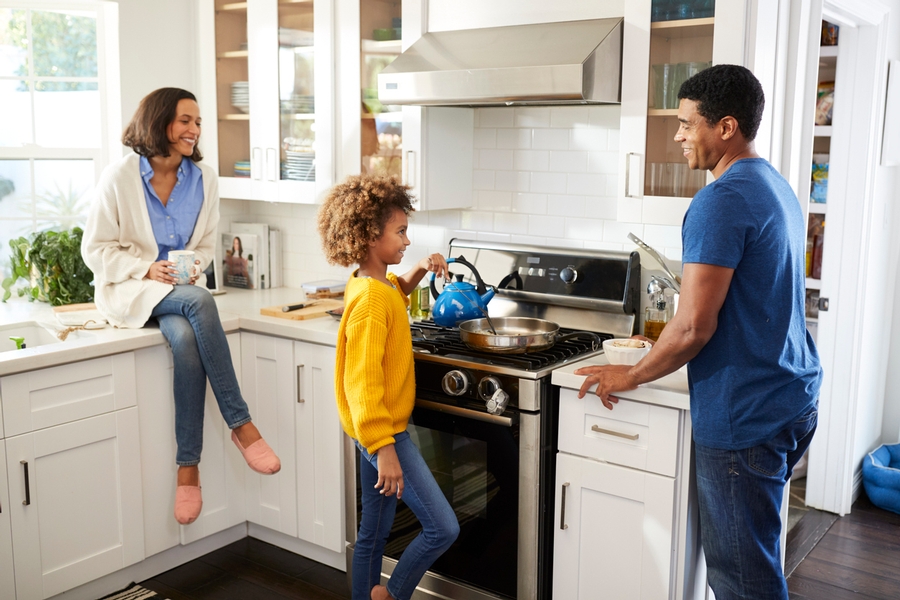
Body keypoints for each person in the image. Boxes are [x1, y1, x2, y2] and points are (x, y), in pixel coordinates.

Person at [575, 65, 822, 600]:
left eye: (688, 124)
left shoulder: (720, 199)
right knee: (757, 553)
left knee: (741, 578)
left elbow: (691, 327)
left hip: (746, 411)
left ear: (726, 127)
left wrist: (631, 374)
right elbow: (744, 301)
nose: (678, 135)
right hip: (790, 394)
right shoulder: (772, 183)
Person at [82, 88, 280, 526]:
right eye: (185, 121)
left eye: (197, 122)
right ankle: (242, 426)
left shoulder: (204, 178)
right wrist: (146, 268)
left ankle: (187, 470)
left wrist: (191, 268)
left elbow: (206, 245)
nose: (194, 130)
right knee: (200, 300)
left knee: (188, 341)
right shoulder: (119, 179)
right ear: (159, 123)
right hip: (132, 291)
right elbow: (94, 251)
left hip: (181, 295)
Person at [317, 175, 459, 600]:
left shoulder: (371, 284)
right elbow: (362, 382)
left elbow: (393, 291)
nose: (407, 239)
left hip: (370, 430)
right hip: (382, 432)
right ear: (368, 235)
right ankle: (391, 595)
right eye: (399, 232)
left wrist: (417, 270)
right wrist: (385, 449)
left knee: (373, 533)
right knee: (441, 527)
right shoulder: (371, 302)